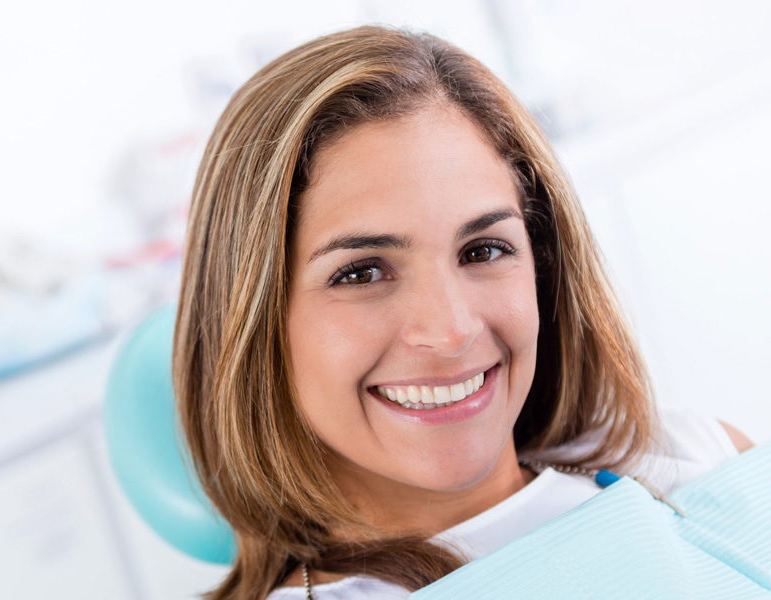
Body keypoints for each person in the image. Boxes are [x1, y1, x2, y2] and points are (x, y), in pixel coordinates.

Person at [172, 26, 753, 600]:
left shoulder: (693, 455)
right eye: (362, 272)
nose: (451, 331)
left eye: (483, 251)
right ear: (250, 322)